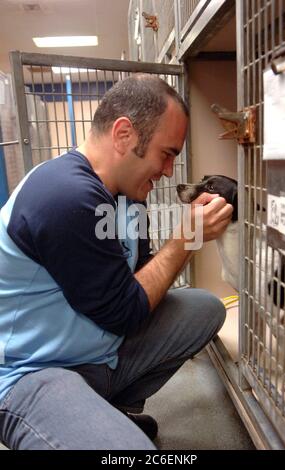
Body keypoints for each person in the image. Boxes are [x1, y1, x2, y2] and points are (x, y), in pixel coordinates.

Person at [0, 74, 233, 450]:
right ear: (124, 134)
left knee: (204, 308)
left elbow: (140, 278)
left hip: (95, 351)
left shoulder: (128, 197)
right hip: (32, 373)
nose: (170, 171)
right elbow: (124, 311)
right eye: (168, 153)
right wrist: (187, 239)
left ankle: (112, 408)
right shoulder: (65, 195)